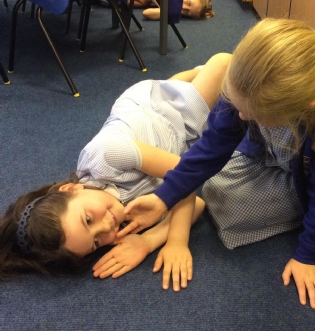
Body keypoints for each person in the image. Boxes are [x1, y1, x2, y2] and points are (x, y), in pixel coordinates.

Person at [118, 18, 315, 309]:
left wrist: (308, 256)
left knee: (229, 212)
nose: (241, 117)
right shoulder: (244, 89)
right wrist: (164, 197)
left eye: (252, 114)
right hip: (268, 153)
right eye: (237, 107)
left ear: (303, 107)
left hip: (306, 178)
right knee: (207, 183)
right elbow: (211, 147)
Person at [0, 54, 230, 291]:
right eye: (96, 242)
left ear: (71, 190)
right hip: (179, 145)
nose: (106, 227)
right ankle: (180, 83)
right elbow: (197, 204)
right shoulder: (121, 222)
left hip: (159, 112)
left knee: (225, 66)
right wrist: (147, 241)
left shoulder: (106, 154)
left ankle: (188, 79)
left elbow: (187, 176)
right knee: (201, 116)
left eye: (88, 220)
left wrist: (177, 242)